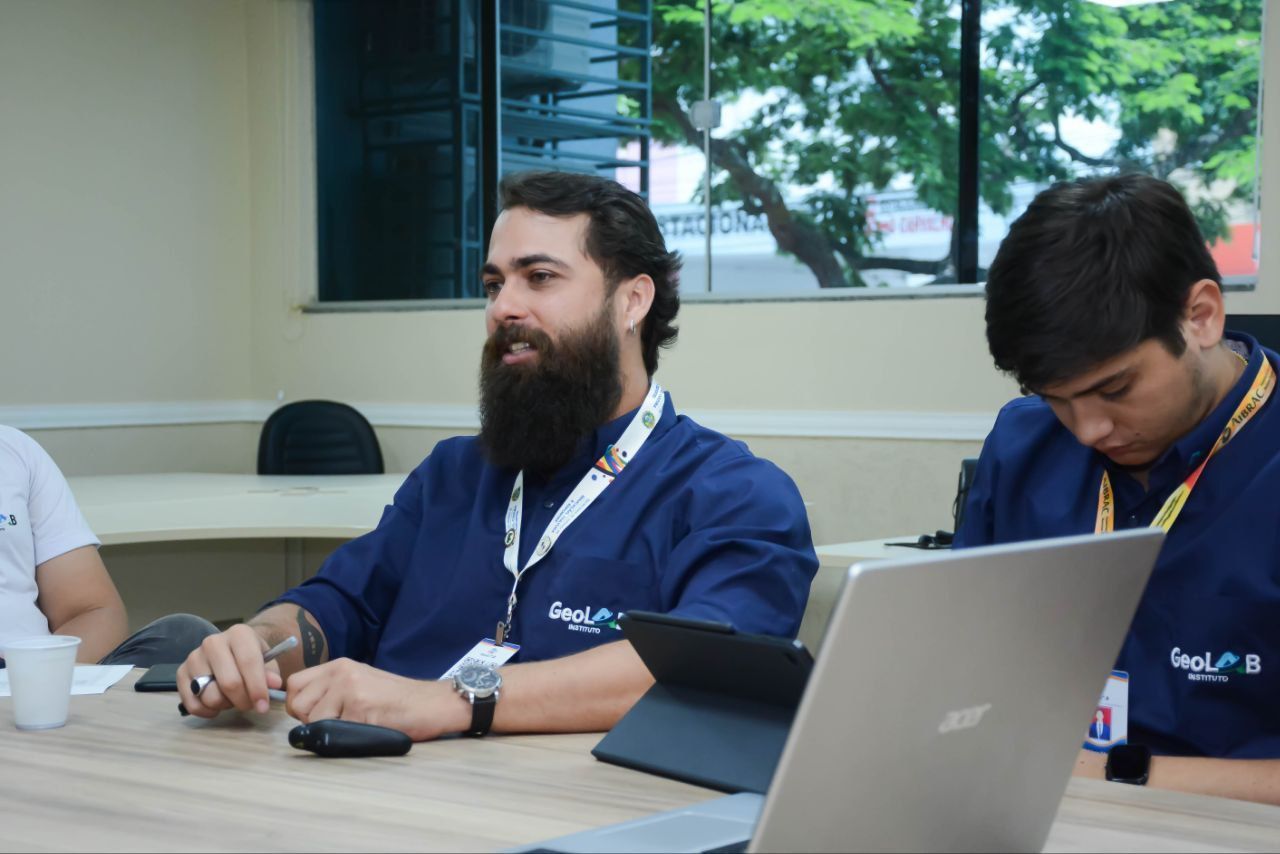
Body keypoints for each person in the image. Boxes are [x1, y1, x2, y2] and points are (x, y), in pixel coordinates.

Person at [177, 171, 818, 741]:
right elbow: (339, 604)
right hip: (374, 801)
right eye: (493, 284)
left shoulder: (734, 494)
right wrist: (259, 644)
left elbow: (707, 672)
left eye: (539, 277)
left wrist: (454, 701)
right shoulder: (453, 475)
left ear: (632, 301)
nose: (503, 307)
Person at [956, 173, 1280, 806]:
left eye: (1115, 389)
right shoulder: (1022, 448)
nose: (1088, 431)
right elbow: (963, 674)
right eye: (1055, 399)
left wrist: (1116, 775)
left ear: (1201, 316)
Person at [0, 426, 217, 667]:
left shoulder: (15, 450)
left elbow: (92, 611)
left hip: (30, 673)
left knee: (187, 635)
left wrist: (35, 677)